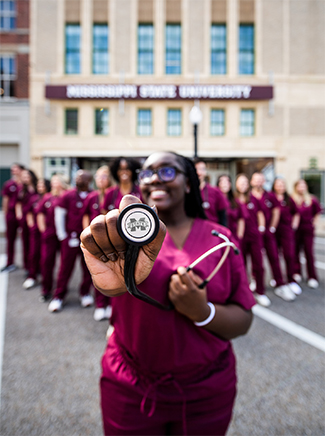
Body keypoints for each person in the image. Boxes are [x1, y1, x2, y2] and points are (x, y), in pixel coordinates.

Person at [80, 151, 255, 436]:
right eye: (147, 174)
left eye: (168, 171)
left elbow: (244, 320)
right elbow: (110, 288)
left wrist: (202, 312)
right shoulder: (123, 242)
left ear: (189, 184)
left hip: (207, 392)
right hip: (130, 389)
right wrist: (109, 282)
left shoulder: (220, 241)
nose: (155, 179)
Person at [48, 170, 94, 313]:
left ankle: (85, 293)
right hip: (70, 238)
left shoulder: (93, 196)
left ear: (89, 180)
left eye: (82, 177)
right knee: (65, 268)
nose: (79, 180)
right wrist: (62, 236)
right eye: (77, 177)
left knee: (88, 268)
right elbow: (59, 215)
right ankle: (59, 296)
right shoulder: (68, 195)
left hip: (88, 240)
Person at [250, 172, 296, 302]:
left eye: (261, 180)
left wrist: (272, 228)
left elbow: (276, 212)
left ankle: (280, 283)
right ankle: (256, 281)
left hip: (269, 234)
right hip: (254, 234)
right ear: (252, 182)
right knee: (257, 260)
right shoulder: (249, 196)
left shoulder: (269, 196)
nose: (258, 182)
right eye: (256, 180)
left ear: (264, 181)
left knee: (274, 258)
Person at [235, 174, 270, 307]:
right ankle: (244, 292)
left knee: (259, 264)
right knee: (241, 265)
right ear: (237, 185)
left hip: (254, 235)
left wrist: (261, 229)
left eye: (245, 182)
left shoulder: (253, 199)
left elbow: (261, 215)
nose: (243, 185)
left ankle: (261, 292)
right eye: (240, 183)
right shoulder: (234, 200)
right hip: (240, 237)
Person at [83, 166, 113, 321]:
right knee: (99, 272)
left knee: (114, 272)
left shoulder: (114, 194)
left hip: (112, 240)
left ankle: (110, 304)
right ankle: (100, 304)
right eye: (98, 176)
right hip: (95, 240)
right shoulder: (91, 196)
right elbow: (85, 217)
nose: (101, 179)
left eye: (104, 176)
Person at [36, 175, 68, 302]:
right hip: (50, 235)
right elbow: (40, 214)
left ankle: (61, 289)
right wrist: (43, 230)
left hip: (64, 235)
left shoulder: (67, 196)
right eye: (53, 181)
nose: (54, 183)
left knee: (65, 264)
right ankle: (46, 289)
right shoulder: (48, 197)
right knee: (47, 261)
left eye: (57, 181)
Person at [271, 177, 302, 296]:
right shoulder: (271, 198)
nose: (280, 187)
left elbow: (296, 213)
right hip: (273, 231)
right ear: (274, 186)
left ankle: (291, 280)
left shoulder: (289, 199)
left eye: (282, 185)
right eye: (278, 185)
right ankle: (278, 279)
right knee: (274, 256)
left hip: (286, 231)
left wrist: (294, 226)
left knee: (289, 255)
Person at [292, 179, 322, 288]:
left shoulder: (312, 199)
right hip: (296, 230)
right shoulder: (292, 199)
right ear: (295, 187)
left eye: (303, 185)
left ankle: (312, 276)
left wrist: (314, 224)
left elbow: (317, 213)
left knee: (309, 252)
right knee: (295, 252)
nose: (301, 187)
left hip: (308, 229)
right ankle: (297, 272)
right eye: (299, 185)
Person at [22, 178, 51, 290]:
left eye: (42, 184)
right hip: (35, 231)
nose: (40, 186)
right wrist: (32, 225)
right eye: (39, 184)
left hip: (47, 232)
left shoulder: (50, 198)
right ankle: (32, 276)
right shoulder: (34, 198)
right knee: (33, 253)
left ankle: (45, 278)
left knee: (46, 258)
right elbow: (29, 213)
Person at [1, 163, 24, 272]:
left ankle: (28, 265)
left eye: (15, 168)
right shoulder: (9, 184)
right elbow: (5, 199)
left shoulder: (24, 184)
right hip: (11, 214)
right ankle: (10, 262)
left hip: (24, 215)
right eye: (12, 169)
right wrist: (6, 214)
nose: (12, 170)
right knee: (10, 239)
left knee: (26, 240)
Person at [15, 169, 38, 275]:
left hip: (37, 217)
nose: (25, 178)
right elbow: (18, 204)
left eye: (26, 176)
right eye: (23, 176)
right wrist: (20, 217)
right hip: (25, 218)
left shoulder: (37, 188)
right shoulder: (21, 190)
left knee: (35, 244)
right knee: (25, 243)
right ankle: (27, 267)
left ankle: (37, 266)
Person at [194, 158, 227, 226]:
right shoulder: (185, 193)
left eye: (202, 169)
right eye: (196, 169)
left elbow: (223, 217)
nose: (199, 173)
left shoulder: (216, 192)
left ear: (205, 172)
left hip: (212, 232)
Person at [217, 174, 247, 244]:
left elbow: (241, 220)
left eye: (227, 182)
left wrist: (239, 236)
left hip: (234, 236)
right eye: (222, 182)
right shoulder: (215, 201)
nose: (225, 184)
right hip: (220, 237)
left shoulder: (235, 202)